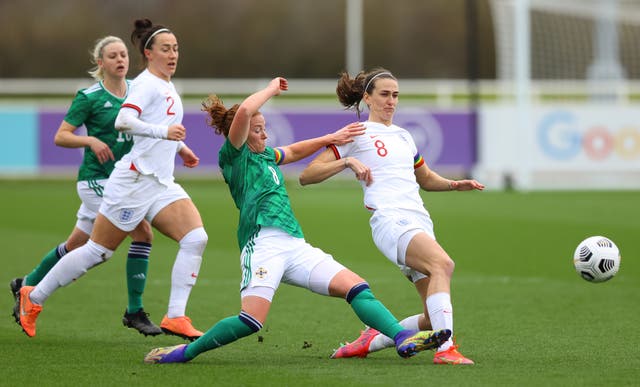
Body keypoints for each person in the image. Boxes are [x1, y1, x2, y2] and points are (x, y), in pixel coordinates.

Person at [142, 77, 451, 364]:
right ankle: (185, 352)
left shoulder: (266, 156)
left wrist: (331, 138)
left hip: (294, 244)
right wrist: (271, 89)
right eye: (258, 129)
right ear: (241, 133)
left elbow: (293, 150)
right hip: (262, 244)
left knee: (356, 287)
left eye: (265, 128)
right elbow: (247, 111)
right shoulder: (234, 156)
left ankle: (401, 338)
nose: (265, 133)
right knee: (251, 321)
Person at [16, 19, 207, 342]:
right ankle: (32, 298)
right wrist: (165, 133)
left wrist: (182, 148)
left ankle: (175, 316)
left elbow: (159, 126)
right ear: (148, 53)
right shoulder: (146, 84)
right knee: (97, 251)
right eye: (165, 49)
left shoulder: (166, 84)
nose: (173, 54)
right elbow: (124, 120)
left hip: (159, 181)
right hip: (133, 182)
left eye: (175, 48)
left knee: (195, 238)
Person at [298, 68, 485, 365]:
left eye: (395, 95)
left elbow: (424, 178)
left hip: (419, 221)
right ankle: (445, 350)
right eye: (384, 94)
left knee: (429, 318)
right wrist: (346, 161)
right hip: (390, 221)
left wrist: (453, 184)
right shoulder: (357, 133)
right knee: (443, 264)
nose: (391, 101)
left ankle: (373, 338)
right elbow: (307, 175)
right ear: (368, 98)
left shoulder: (404, 136)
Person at [9, 35, 161, 336]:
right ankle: (134, 311)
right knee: (142, 234)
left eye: (124, 55)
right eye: (113, 56)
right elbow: (61, 136)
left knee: (75, 244)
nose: (121, 60)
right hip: (97, 181)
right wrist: (90, 139)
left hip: (124, 180)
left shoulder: (138, 92)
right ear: (100, 62)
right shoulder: (89, 97)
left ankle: (26, 283)